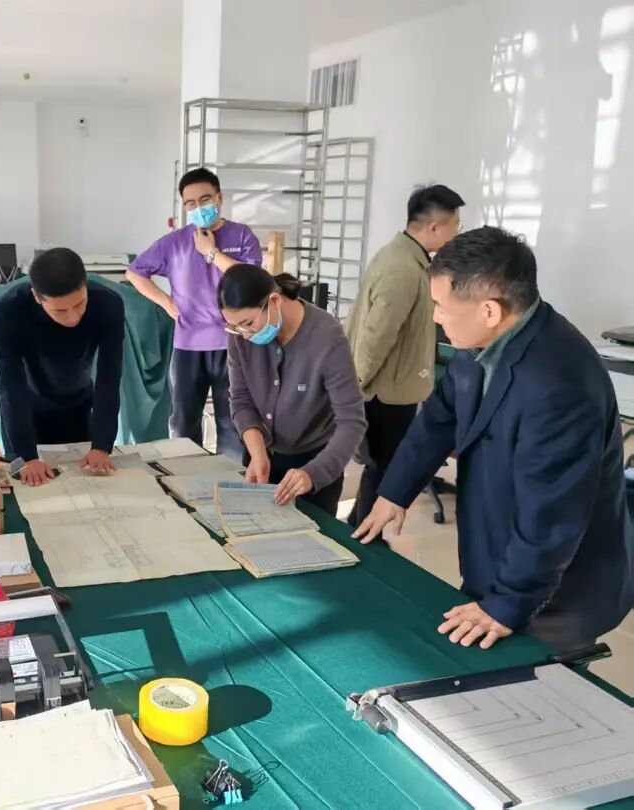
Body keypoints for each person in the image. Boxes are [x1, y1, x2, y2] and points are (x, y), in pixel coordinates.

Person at [354, 226, 634, 653]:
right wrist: (394, 492)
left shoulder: (560, 383)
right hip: (498, 554)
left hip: (556, 590)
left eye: (440, 306)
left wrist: (507, 604)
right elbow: (438, 418)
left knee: (534, 683)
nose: (435, 317)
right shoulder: (480, 342)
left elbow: (551, 517)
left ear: (489, 310)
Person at [346, 184, 465, 534]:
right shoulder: (403, 268)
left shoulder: (402, 257)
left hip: (392, 386)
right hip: (385, 392)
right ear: (434, 227)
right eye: (455, 225)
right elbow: (377, 335)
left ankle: (359, 529)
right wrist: (355, 389)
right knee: (385, 470)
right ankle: (364, 535)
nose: (457, 232)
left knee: (382, 467)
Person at [127, 168, 261, 460]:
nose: (198, 207)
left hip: (233, 342)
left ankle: (231, 477)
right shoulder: (173, 242)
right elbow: (135, 272)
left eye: (205, 199)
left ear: (219, 198)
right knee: (183, 422)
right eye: (191, 203)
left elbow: (251, 280)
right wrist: (165, 302)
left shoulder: (242, 235)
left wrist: (211, 253)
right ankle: (186, 479)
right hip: (188, 345)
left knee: (233, 420)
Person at [220, 265, 366, 516]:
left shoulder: (327, 337)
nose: (244, 334)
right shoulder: (241, 334)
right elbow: (241, 399)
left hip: (314, 465)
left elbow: (352, 423)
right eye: (235, 327)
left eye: (248, 323)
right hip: (261, 455)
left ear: (274, 301)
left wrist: (313, 474)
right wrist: (258, 453)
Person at [0, 247, 124, 486]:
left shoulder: (108, 303)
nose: (73, 317)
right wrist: (27, 457)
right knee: (29, 488)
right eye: (60, 310)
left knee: (82, 486)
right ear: (37, 297)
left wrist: (102, 446)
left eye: (80, 304)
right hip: (26, 409)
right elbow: (12, 386)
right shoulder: (8, 310)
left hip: (78, 405)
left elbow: (109, 377)